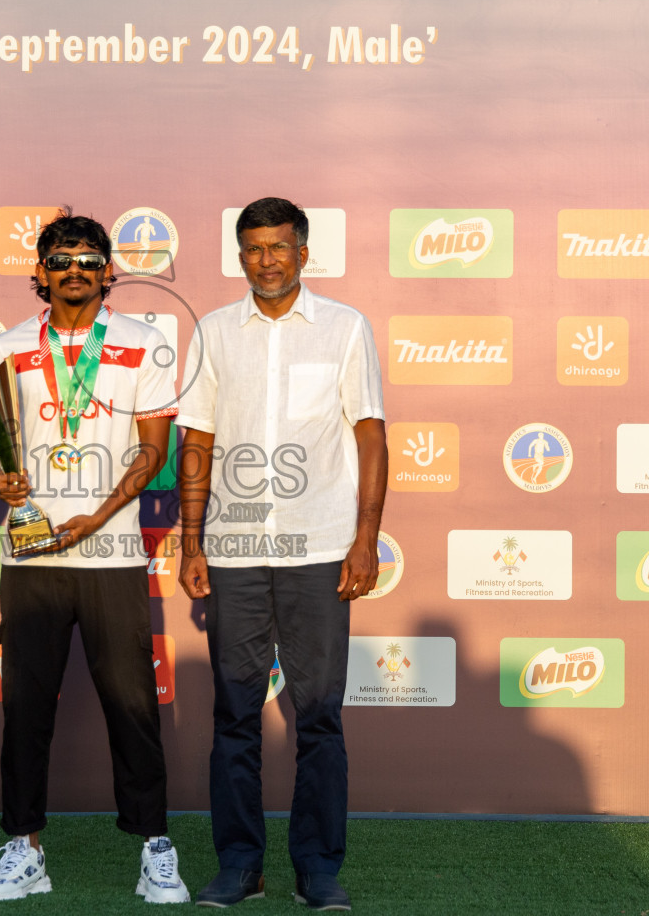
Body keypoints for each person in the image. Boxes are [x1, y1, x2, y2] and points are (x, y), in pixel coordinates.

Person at [176, 197, 388, 911]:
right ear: (241, 256)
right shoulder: (213, 331)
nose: (266, 259)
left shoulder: (344, 327)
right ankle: (239, 864)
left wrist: (365, 538)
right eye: (253, 249)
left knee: (319, 714)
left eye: (279, 246)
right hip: (235, 549)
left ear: (304, 252)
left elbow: (369, 436)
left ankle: (318, 869)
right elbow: (197, 442)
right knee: (234, 713)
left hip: (322, 547)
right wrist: (192, 540)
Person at [0, 211, 189, 904]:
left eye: (88, 259)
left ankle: (156, 847)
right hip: (32, 553)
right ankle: (23, 848)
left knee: (132, 706)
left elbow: (154, 452)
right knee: (26, 707)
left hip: (114, 551)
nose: (75, 269)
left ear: (109, 272)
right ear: (39, 272)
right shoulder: (6, 345)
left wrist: (96, 517)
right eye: (61, 259)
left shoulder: (146, 342)